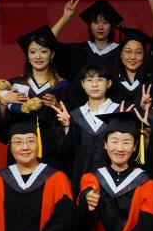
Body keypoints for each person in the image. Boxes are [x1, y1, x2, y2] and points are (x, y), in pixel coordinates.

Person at [0, 25, 72, 171]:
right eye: (33, 52)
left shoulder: (65, 87)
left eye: (43, 51)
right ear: (27, 55)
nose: (38, 57)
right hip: (21, 153)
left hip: (53, 154)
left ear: (52, 55)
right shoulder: (13, 85)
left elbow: (73, 126)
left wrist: (58, 106)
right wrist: (4, 102)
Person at [51, 62, 126, 192]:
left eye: (100, 80)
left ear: (108, 83)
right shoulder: (73, 117)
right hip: (81, 183)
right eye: (89, 80)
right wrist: (67, 127)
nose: (94, 84)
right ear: (83, 84)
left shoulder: (120, 112)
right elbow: (65, 154)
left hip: (114, 184)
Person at [50, 0, 124, 84]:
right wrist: (66, 17)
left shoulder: (122, 53)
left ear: (112, 26)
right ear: (90, 26)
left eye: (105, 22)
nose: (100, 27)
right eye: (95, 22)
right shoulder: (76, 51)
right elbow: (46, 41)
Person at [111, 27, 153, 115]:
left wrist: (144, 110)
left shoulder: (151, 83)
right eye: (128, 51)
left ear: (144, 55)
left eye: (138, 52)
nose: (133, 57)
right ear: (121, 54)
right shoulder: (111, 82)